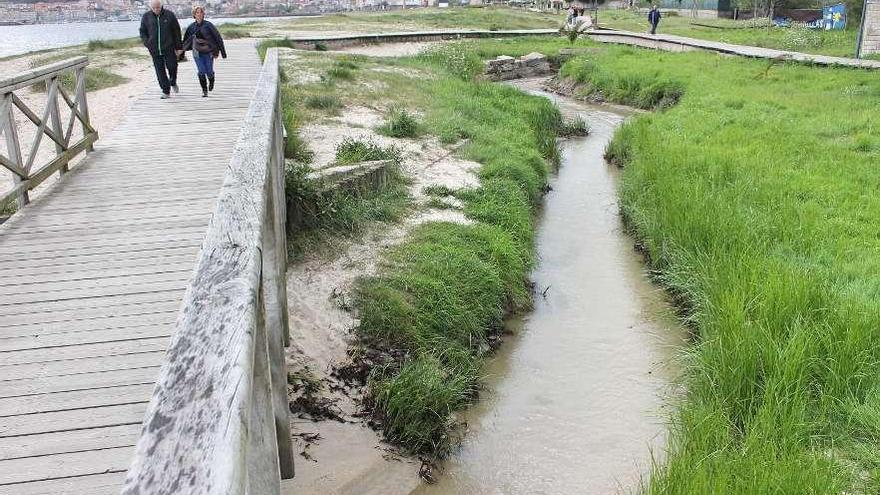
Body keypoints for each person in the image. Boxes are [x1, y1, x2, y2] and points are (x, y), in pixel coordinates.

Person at [140, 0, 182, 99]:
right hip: (154, 49)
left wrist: (179, 47)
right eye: (153, 8)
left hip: (169, 47)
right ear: (151, 7)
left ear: (161, 6)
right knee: (160, 71)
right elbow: (142, 31)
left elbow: (176, 31)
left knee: (172, 66)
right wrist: (147, 43)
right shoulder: (146, 17)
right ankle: (166, 91)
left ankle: (173, 81)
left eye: (157, 7)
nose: (156, 10)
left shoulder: (169, 15)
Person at [182, 5, 227, 97]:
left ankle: (211, 80)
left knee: (209, 71)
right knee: (201, 71)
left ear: (203, 14)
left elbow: (218, 38)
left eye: (201, 12)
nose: (199, 14)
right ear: (194, 14)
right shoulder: (191, 27)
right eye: (197, 12)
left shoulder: (208, 25)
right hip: (197, 52)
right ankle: (204, 90)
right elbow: (185, 40)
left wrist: (222, 52)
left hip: (209, 51)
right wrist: (180, 52)